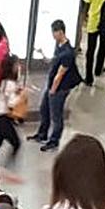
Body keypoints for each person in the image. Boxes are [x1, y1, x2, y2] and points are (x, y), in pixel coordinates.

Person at [31, 20, 79, 152]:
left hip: (59, 88)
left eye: (54, 32)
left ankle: (54, 141)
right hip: (52, 85)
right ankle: (42, 134)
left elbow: (60, 74)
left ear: (60, 32)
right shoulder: (59, 47)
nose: (52, 35)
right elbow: (54, 62)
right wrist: (43, 55)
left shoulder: (68, 53)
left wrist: (52, 90)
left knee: (56, 115)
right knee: (44, 109)